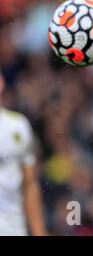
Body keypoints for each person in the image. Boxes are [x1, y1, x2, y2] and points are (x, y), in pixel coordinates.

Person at [0, 70, 47, 236]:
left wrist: (39, 232)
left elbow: (30, 184)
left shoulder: (19, 126)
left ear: (1, 83)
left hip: (14, 229)